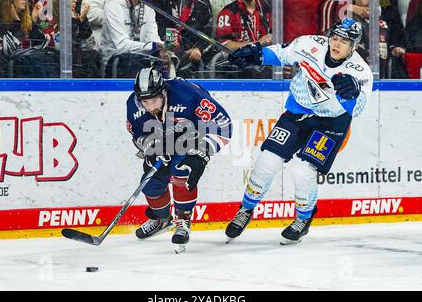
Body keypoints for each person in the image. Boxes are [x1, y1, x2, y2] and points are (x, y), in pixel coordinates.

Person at [225, 18, 373, 244]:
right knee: (267, 161)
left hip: (331, 123)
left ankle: (303, 219)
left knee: (302, 170)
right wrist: (256, 55)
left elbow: (360, 108)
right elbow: (282, 53)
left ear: (354, 46)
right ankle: (246, 210)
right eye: (334, 38)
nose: (336, 44)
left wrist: (352, 93)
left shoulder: (361, 71)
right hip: (298, 112)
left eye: (344, 42)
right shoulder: (310, 44)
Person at [126, 67, 232, 253]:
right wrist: (150, 148)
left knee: (181, 171)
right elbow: (138, 135)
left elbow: (224, 125)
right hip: (163, 141)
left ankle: (183, 220)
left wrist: (202, 154)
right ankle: (161, 219)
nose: (150, 106)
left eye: (154, 100)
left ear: (164, 91)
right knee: (149, 184)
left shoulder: (187, 94)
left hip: (192, 138)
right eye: (145, 101)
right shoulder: (133, 105)